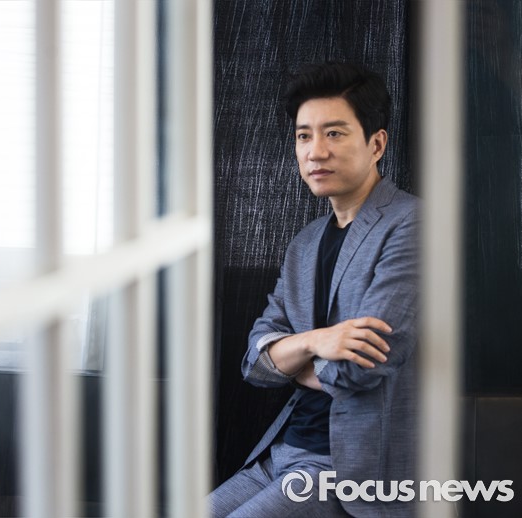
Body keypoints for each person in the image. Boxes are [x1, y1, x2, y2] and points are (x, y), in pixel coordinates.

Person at [210, 62, 420, 517]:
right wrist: (316, 341)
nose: (315, 151)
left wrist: (291, 359)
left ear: (376, 144)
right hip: (280, 451)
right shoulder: (304, 244)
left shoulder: (412, 224)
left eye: (335, 133)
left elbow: (359, 369)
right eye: (304, 136)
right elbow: (255, 362)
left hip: (347, 467)